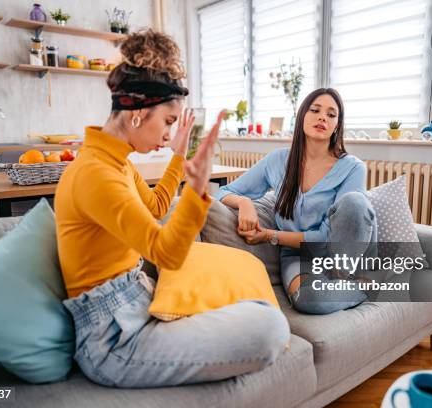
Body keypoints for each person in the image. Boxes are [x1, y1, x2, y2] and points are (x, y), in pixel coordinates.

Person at [54, 29, 289, 388]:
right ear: (137, 113)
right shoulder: (95, 174)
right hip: (112, 338)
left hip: (135, 298)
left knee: (255, 304)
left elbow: (156, 206)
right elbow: (165, 251)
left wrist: (178, 157)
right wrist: (197, 187)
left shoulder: (117, 163)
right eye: (167, 122)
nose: (168, 133)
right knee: (270, 327)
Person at [216, 88, 378, 315]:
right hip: (297, 256)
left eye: (332, 115)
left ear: (337, 125)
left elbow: (326, 239)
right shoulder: (278, 160)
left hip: (342, 255)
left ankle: (361, 281)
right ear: (302, 115)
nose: (323, 117)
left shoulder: (352, 167)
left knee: (355, 202)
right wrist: (245, 202)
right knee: (309, 300)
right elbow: (221, 192)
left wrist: (270, 236)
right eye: (315, 110)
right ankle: (354, 290)